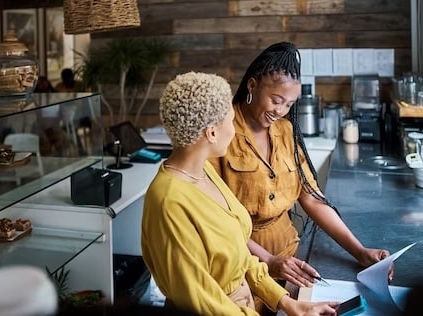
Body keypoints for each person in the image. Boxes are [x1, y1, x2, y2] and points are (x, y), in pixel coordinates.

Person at [208, 42, 391, 314]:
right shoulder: (222, 130)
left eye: (289, 104)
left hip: (289, 259)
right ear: (252, 85)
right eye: (276, 100)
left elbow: (313, 199)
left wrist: (360, 252)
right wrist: (268, 260)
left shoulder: (285, 131)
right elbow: (215, 218)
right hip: (240, 263)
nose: (280, 110)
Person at [141, 71, 338, 315]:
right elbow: (202, 301)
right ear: (212, 133)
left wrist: (288, 303)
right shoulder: (168, 201)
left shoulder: (203, 171)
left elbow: (239, 255)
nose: (235, 132)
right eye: (231, 121)